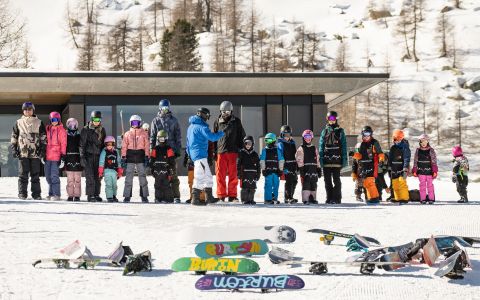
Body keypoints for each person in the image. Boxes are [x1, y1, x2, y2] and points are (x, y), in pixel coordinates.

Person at [186, 107, 224, 206]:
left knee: (208, 176)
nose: (208, 118)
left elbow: (187, 143)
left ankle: (209, 197)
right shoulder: (201, 127)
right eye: (207, 116)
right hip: (200, 155)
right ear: (204, 115)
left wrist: (189, 155)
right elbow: (212, 137)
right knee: (199, 177)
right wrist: (222, 133)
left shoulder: (191, 127)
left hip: (196, 155)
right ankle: (195, 199)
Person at [10, 102, 47, 200]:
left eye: (30, 109)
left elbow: (43, 137)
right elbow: (14, 136)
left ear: (33, 110)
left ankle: (36, 194)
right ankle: (22, 193)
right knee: (23, 174)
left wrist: (42, 150)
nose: (28, 111)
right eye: (25, 109)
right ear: (23, 111)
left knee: (35, 175)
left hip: (35, 152)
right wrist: (14, 149)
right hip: (23, 152)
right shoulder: (18, 122)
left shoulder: (39, 122)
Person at [213, 100, 246, 202]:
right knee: (220, 174)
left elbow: (242, 136)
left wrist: (241, 150)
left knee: (233, 174)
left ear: (231, 111)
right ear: (220, 111)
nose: (225, 114)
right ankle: (221, 195)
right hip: (220, 151)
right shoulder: (217, 121)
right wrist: (214, 151)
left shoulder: (236, 121)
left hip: (233, 151)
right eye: (223, 112)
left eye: (227, 112)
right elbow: (213, 137)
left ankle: (232, 195)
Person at [150, 99, 182, 202]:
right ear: (160, 108)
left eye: (166, 108)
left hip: (171, 150)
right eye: (163, 108)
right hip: (159, 151)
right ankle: (160, 196)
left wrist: (178, 149)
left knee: (172, 173)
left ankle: (176, 196)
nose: (165, 110)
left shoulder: (174, 120)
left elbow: (178, 136)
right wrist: (152, 151)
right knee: (160, 175)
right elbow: (152, 137)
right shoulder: (155, 121)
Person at [319, 111, 347, 204]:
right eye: (330, 119)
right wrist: (321, 159)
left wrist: (344, 159)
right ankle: (329, 197)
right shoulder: (325, 131)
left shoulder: (340, 131)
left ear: (336, 119)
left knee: (336, 180)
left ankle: (336, 198)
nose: (332, 121)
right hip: (327, 160)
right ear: (327, 119)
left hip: (337, 160)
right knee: (327, 181)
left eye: (333, 119)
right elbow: (321, 146)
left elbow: (344, 146)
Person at [352, 126, 385, 204]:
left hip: (371, 165)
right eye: (365, 134)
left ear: (371, 134)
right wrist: (353, 155)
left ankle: (374, 198)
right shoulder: (360, 145)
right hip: (362, 166)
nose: (366, 136)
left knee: (369, 182)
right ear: (362, 135)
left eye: (368, 134)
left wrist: (381, 159)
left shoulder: (374, 143)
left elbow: (380, 153)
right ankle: (372, 197)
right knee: (366, 183)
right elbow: (358, 157)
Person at [122, 115, 150, 203]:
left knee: (142, 177)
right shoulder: (127, 134)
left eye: (136, 123)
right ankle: (127, 196)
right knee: (128, 177)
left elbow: (147, 146)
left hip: (140, 156)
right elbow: (124, 146)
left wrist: (147, 156)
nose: (134, 124)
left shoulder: (144, 133)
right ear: (130, 123)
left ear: (140, 123)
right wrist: (123, 157)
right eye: (133, 123)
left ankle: (144, 196)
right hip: (130, 156)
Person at [80, 110, 106, 202]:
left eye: (98, 119)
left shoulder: (102, 130)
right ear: (91, 119)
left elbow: (104, 144)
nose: (96, 121)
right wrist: (82, 157)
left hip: (98, 157)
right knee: (90, 176)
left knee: (97, 177)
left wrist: (104, 156)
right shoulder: (86, 129)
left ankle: (96, 194)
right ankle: (90, 195)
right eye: (95, 119)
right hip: (88, 156)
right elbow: (82, 144)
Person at [44, 111, 67, 201]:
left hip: (56, 156)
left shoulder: (62, 130)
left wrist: (63, 156)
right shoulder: (47, 129)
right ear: (50, 120)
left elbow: (63, 144)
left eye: (56, 119)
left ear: (59, 120)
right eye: (53, 119)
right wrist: (43, 154)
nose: (55, 121)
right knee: (47, 176)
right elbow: (44, 142)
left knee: (54, 176)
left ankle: (56, 194)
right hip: (47, 156)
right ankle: (51, 193)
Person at [296, 130, 322, 204]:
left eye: (309, 137)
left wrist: (319, 168)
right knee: (306, 184)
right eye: (306, 137)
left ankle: (313, 198)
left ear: (312, 138)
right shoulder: (301, 148)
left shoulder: (314, 148)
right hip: (306, 169)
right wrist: (301, 169)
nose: (308, 139)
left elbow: (317, 159)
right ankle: (306, 199)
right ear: (303, 138)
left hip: (313, 169)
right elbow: (299, 158)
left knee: (314, 183)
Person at [150, 130, 176, 203]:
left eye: (163, 138)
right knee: (157, 185)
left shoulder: (168, 148)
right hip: (157, 171)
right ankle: (158, 198)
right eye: (160, 138)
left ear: (166, 139)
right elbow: (152, 159)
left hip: (166, 171)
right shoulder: (155, 148)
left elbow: (172, 160)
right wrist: (152, 169)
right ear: (158, 139)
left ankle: (167, 199)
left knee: (166, 185)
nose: (161, 140)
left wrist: (171, 169)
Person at [412, 134, 438, 204]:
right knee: (422, 185)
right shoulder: (418, 150)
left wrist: (435, 171)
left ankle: (431, 199)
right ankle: (423, 199)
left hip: (429, 171)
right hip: (421, 171)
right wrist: (414, 170)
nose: (423, 143)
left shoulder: (431, 150)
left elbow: (434, 161)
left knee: (430, 185)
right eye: (421, 141)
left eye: (425, 141)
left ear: (427, 142)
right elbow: (415, 161)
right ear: (420, 142)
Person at [260, 133, 284, 205]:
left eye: (269, 140)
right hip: (268, 171)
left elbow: (281, 160)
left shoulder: (277, 150)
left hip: (276, 171)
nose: (268, 142)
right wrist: (263, 169)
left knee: (276, 185)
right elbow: (262, 160)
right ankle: (268, 199)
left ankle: (274, 198)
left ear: (273, 141)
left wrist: (280, 170)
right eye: (266, 141)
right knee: (268, 185)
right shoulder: (265, 150)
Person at [389, 129, 411, 204]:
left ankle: (404, 198)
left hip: (402, 168)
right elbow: (390, 158)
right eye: (395, 139)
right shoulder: (393, 148)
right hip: (394, 168)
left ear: (402, 139)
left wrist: (405, 168)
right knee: (395, 184)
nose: (397, 141)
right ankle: (397, 197)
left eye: (399, 139)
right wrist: (389, 166)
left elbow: (406, 158)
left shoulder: (405, 147)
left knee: (401, 182)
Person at [277, 125, 298, 204]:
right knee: (289, 181)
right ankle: (287, 197)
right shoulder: (281, 144)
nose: (287, 137)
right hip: (286, 165)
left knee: (295, 181)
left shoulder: (292, 143)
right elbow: (280, 155)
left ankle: (291, 196)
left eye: (288, 135)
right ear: (282, 135)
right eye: (285, 135)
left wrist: (297, 164)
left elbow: (295, 154)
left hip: (293, 164)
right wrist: (282, 167)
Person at [237, 135, 261, 205]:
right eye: (246, 143)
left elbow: (258, 165)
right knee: (245, 187)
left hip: (253, 174)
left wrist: (258, 174)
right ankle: (244, 200)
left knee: (252, 187)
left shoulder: (255, 154)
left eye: (249, 143)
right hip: (244, 173)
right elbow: (238, 164)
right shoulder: (241, 153)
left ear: (252, 144)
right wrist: (238, 173)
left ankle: (251, 199)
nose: (248, 145)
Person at [99, 136, 123, 202]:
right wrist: (100, 172)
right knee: (109, 185)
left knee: (114, 185)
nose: (109, 146)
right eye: (107, 144)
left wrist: (120, 171)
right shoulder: (104, 151)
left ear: (113, 144)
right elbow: (101, 161)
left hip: (114, 172)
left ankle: (114, 195)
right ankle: (109, 197)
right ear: (105, 145)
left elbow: (118, 162)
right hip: (107, 171)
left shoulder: (116, 152)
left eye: (111, 144)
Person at [65, 118, 83, 201]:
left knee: (77, 179)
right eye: (70, 124)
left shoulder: (79, 135)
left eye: (74, 124)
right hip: (69, 159)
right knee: (70, 179)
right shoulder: (65, 135)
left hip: (77, 159)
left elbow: (82, 147)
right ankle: (70, 195)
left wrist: (82, 159)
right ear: (67, 125)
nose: (72, 126)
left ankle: (77, 195)